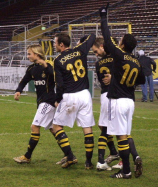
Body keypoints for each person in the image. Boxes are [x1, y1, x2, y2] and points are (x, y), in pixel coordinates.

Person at [99, 4, 144, 179]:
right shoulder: (137, 61)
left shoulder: (119, 54)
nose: (118, 42)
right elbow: (140, 80)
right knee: (124, 135)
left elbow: (107, 37)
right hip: (130, 101)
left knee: (121, 138)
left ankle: (125, 171)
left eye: (120, 40)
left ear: (123, 44)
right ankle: (127, 168)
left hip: (117, 100)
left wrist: (103, 16)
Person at [13, 44, 75, 164]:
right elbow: (24, 80)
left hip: (49, 101)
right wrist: (18, 90)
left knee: (35, 127)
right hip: (42, 101)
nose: (28, 56)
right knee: (54, 130)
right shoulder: (32, 68)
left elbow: (54, 75)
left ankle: (27, 156)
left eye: (29, 53)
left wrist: (45, 64)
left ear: (36, 54)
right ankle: (70, 156)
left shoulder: (50, 64)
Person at [53, 32, 96, 169]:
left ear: (61, 44)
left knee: (56, 127)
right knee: (87, 128)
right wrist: (82, 42)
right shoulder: (80, 50)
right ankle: (88, 162)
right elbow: (93, 36)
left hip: (70, 96)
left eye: (55, 43)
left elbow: (59, 84)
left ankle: (70, 156)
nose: (54, 45)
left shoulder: (58, 60)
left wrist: (58, 99)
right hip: (85, 94)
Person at [93, 37, 120, 171]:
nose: (96, 54)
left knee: (106, 128)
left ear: (103, 46)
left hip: (108, 96)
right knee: (109, 127)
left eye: (96, 51)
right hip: (115, 96)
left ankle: (101, 161)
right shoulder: (118, 58)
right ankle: (114, 153)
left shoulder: (99, 64)